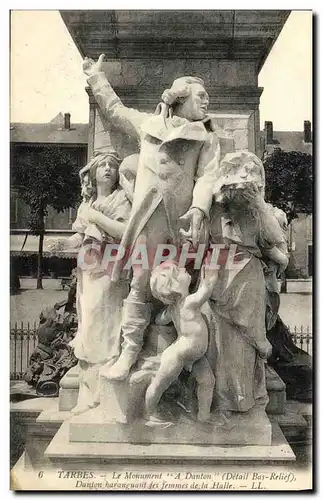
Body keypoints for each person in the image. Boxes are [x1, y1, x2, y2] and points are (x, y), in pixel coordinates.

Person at [83, 54, 221, 380]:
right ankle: (129, 352)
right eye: (200, 96)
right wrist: (95, 77)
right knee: (139, 284)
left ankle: (189, 360)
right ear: (180, 98)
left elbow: (208, 177)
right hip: (147, 220)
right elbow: (114, 110)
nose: (206, 102)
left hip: (185, 224)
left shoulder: (207, 138)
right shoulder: (148, 124)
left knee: (188, 288)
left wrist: (200, 209)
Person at [48, 151, 136, 414]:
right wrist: (63, 243)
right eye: (103, 166)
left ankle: (103, 395)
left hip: (111, 269)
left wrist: (96, 217)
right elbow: (80, 236)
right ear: (92, 173)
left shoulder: (121, 200)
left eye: (112, 165)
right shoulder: (87, 203)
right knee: (88, 328)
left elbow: (125, 232)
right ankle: (89, 394)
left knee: (107, 329)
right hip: (89, 271)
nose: (108, 169)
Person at [207, 151, 289, 414]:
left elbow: (277, 247)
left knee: (243, 346)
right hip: (217, 280)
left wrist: (279, 260)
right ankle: (222, 404)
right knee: (219, 345)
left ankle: (242, 403)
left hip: (247, 281)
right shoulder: (214, 213)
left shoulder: (257, 216)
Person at [147, 261, 217, 423]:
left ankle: (204, 415)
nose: (184, 269)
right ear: (175, 286)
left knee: (208, 381)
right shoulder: (190, 302)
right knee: (159, 384)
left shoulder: (174, 309)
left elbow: (159, 320)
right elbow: (206, 290)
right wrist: (212, 272)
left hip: (195, 356)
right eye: (179, 271)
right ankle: (148, 412)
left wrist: (166, 314)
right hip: (178, 355)